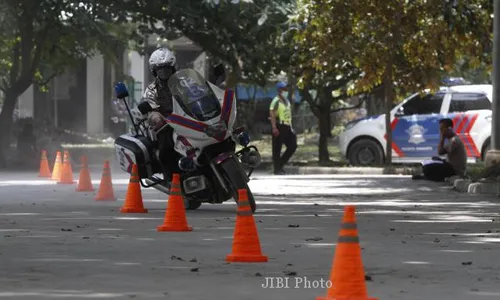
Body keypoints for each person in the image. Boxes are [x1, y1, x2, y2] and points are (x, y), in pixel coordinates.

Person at [141, 47, 181, 184]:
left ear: (173, 68)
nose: (164, 72)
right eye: (160, 69)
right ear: (155, 71)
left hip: (189, 120)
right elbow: (151, 110)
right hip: (167, 124)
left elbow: (197, 94)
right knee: (166, 149)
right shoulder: (151, 90)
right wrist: (157, 117)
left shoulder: (183, 83)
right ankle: (171, 180)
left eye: (167, 68)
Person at [269, 81, 297, 175]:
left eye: (286, 89)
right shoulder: (276, 100)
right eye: (284, 89)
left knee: (293, 145)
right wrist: (274, 127)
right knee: (277, 148)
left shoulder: (287, 101)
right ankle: (277, 169)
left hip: (287, 126)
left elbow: (288, 115)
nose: (286, 90)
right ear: (279, 90)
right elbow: (272, 114)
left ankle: (280, 164)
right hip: (279, 125)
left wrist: (291, 127)